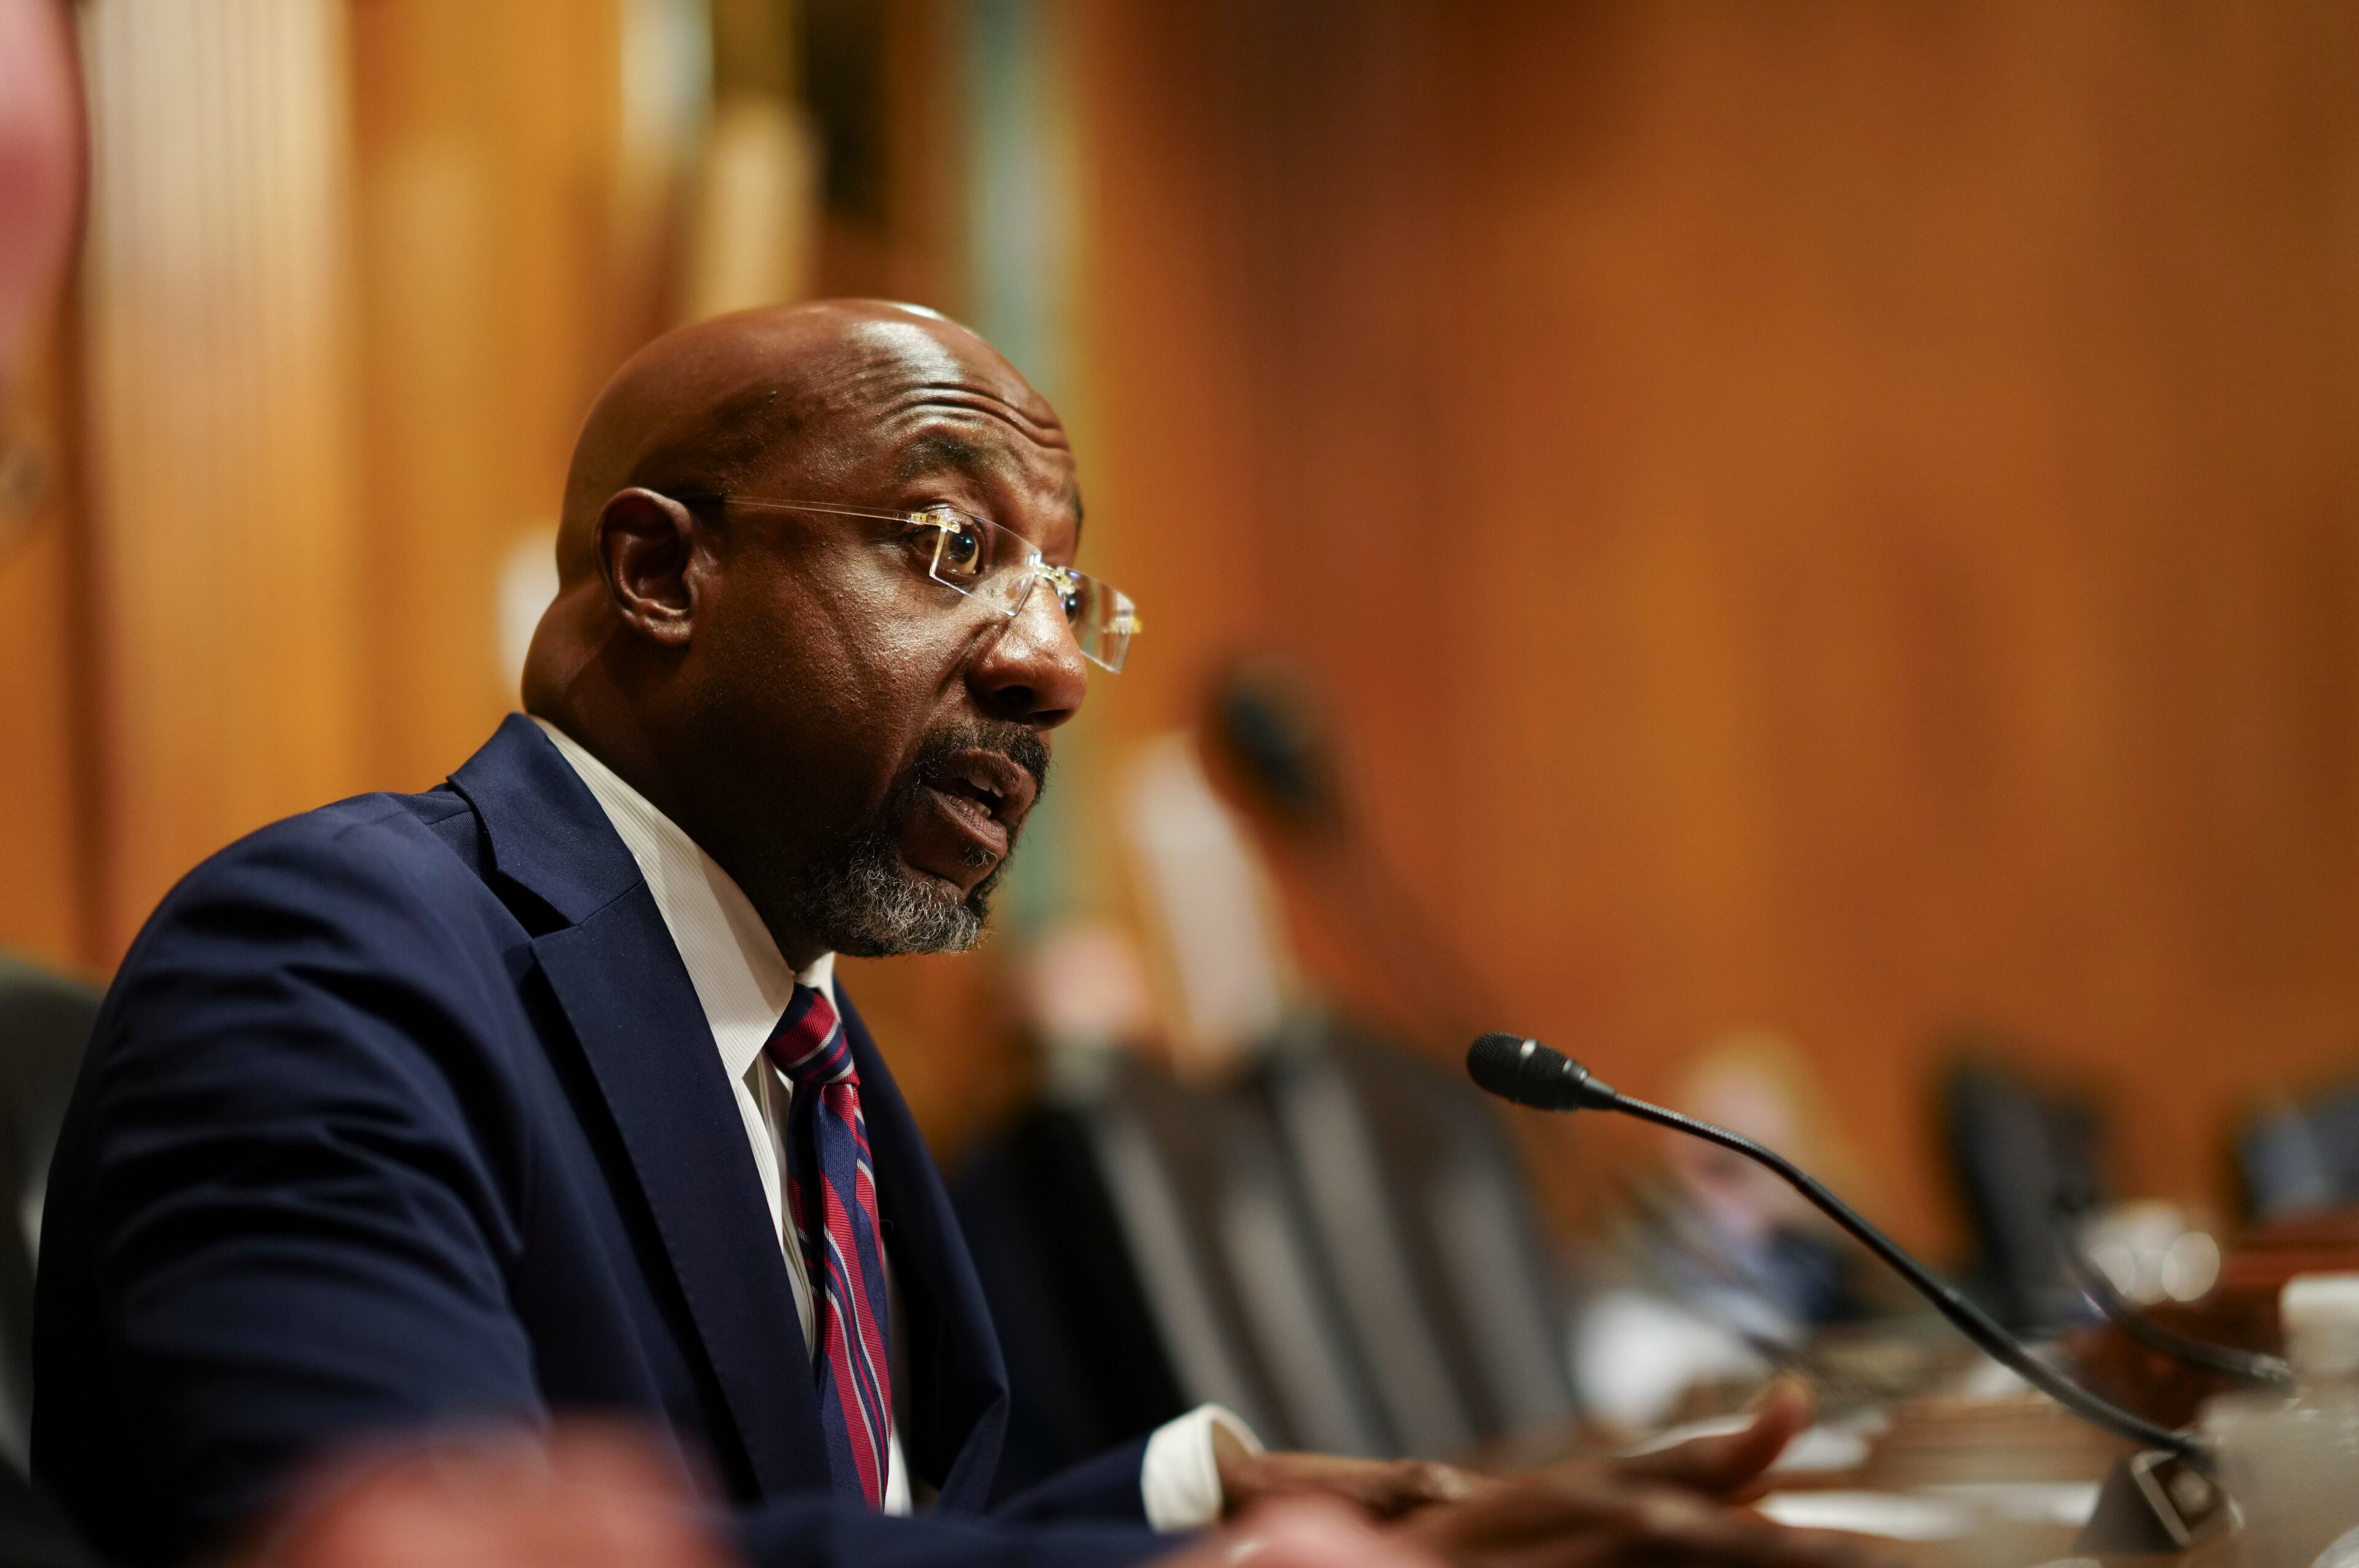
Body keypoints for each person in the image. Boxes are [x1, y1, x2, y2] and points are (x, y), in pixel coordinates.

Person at [32, 300, 1895, 1568]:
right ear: (663, 572)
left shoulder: (799, 1046)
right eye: (947, 549)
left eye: (1070, 586)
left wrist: (1216, 1494)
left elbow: (867, 1524)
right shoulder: (334, 959)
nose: (1051, 665)